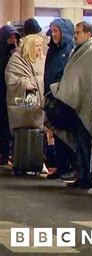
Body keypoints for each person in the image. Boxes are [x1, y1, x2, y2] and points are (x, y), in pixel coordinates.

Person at [49, 21, 92, 189]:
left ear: (88, 34)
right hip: (76, 103)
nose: (75, 35)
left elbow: (88, 79)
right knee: (79, 142)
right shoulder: (78, 50)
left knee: (87, 142)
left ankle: (88, 175)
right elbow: (72, 75)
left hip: (87, 103)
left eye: (79, 32)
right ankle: (82, 174)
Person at [5, 34, 46, 174]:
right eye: (37, 46)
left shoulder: (43, 60)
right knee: (21, 133)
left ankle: (39, 161)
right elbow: (11, 78)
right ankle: (21, 161)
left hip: (38, 104)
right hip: (21, 104)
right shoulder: (16, 60)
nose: (40, 49)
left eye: (41, 46)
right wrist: (24, 83)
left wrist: (36, 83)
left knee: (39, 133)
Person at [43, 18, 77, 180]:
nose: (54, 34)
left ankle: (72, 166)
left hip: (64, 98)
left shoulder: (70, 49)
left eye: (57, 31)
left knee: (68, 134)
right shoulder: (52, 49)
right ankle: (61, 166)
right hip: (52, 97)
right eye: (53, 31)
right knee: (57, 134)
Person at [0, 25, 21, 165]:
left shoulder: (15, 54)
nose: (13, 40)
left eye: (15, 37)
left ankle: (7, 154)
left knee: (8, 125)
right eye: (10, 37)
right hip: (2, 92)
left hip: (10, 93)